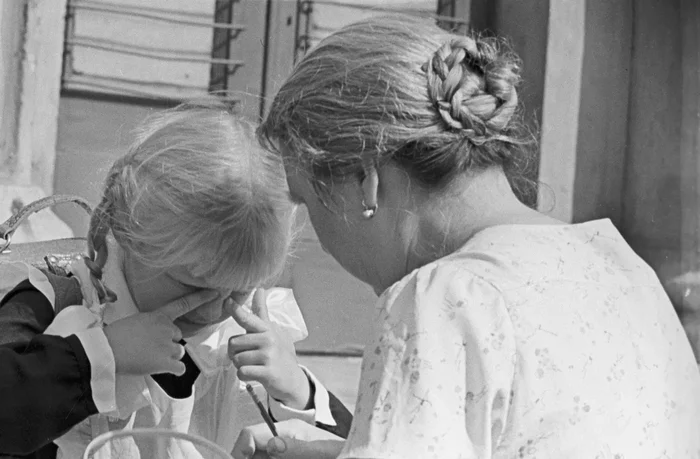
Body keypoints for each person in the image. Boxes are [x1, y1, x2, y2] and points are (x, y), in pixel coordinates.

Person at [233, 14, 700, 459]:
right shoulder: (622, 267)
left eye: (308, 203)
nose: (324, 240)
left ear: (365, 178)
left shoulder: (443, 298)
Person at [0, 102, 351, 459]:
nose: (215, 309)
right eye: (193, 286)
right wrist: (101, 356)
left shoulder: (243, 341)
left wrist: (296, 391)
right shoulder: (55, 301)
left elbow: (370, 444)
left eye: (239, 290)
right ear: (130, 237)